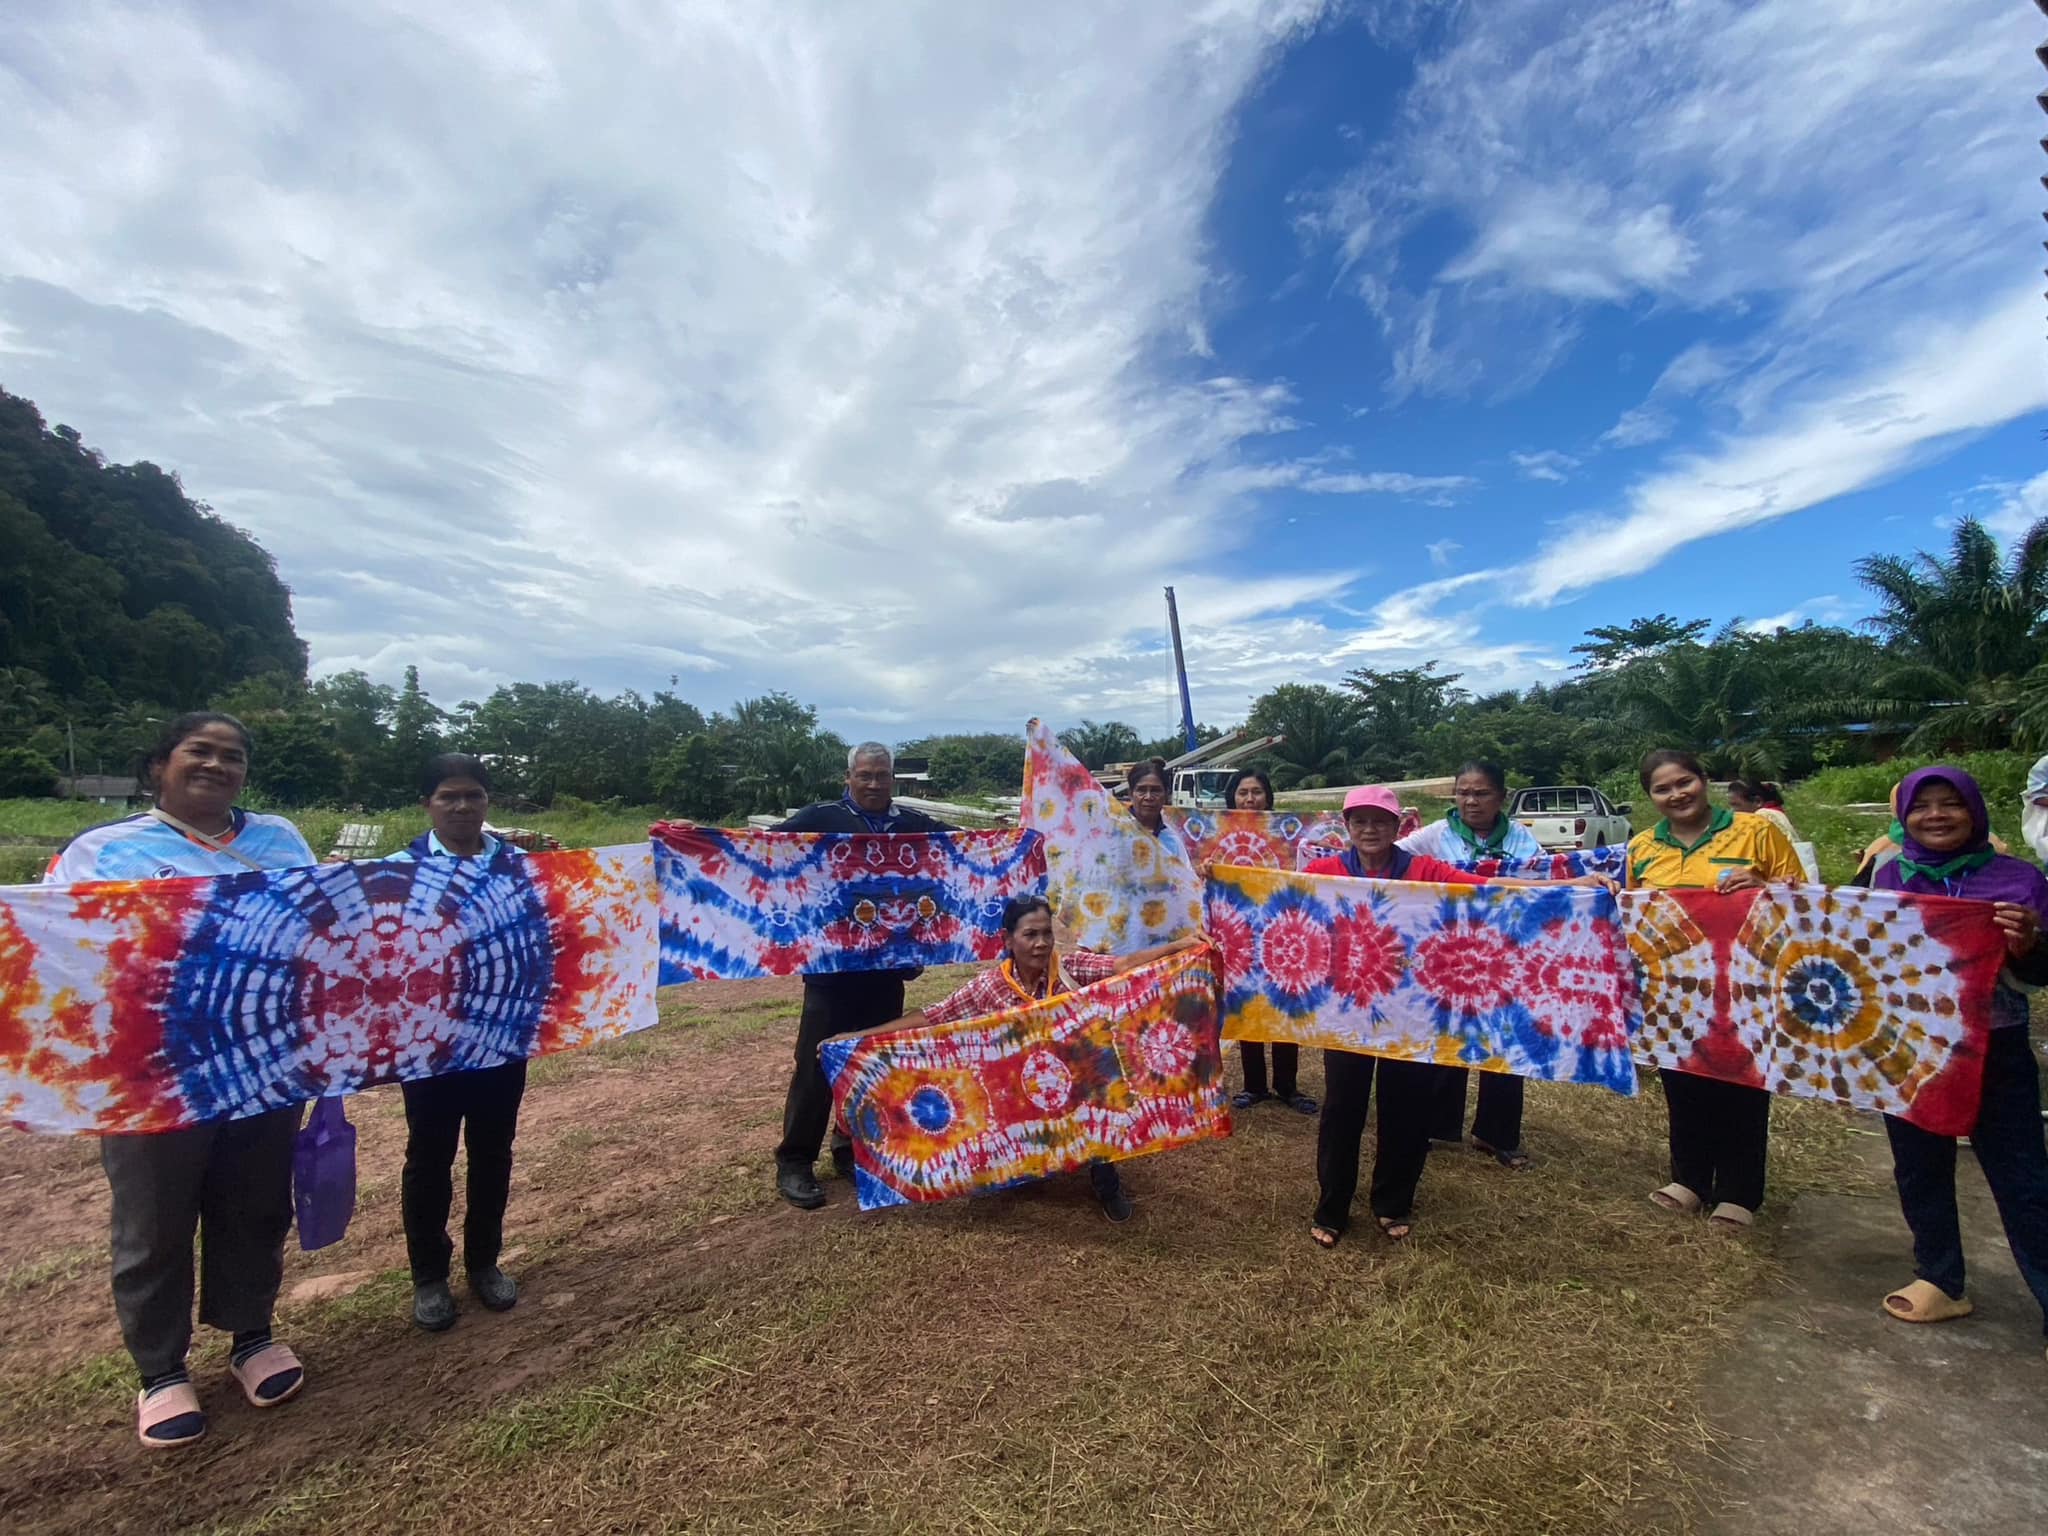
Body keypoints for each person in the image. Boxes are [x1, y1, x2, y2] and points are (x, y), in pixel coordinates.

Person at [45, 713, 317, 1450]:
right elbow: (54, 957)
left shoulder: (281, 840)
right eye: (200, 751)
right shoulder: (100, 851)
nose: (217, 765)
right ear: (160, 764)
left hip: (264, 1062)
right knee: (154, 1221)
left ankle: (252, 1335)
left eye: (233, 755)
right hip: (149, 1074)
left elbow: (323, 931)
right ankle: (161, 1372)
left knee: (255, 1204)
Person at [1298, 786, 1604, 1249]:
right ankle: (1332, 1206)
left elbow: (1490, 891)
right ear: (1347, 826)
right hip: (1348, 1014)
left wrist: (1569, 888)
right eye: (1359, 820)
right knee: (1342, 1109)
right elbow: (1270, 897)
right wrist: (1218, 880)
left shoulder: (1424, 871)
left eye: (1380, 820)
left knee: (1406, 1109)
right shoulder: (1324, 872)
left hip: (1415, 1014)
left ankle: (1392, 1202)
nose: (1369, 829)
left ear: (1400, 827)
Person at [1870, 766, 2048, 1362]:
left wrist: (2027, 944)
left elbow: (2037, 976)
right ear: (1904, 818)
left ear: (1976, 811)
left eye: (1951, 804)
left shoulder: (2020, 880)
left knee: (2023, 1178)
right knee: (1919, 1167)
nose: (1937, 816)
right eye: (1922, 807)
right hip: (1911, 1048)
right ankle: (1940, 1279)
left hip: (1996, 1051)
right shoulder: (1891, 874)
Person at [905, 896, 1205, 1222]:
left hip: (1078, 1080)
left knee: (1099, 1095)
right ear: (1007, 939)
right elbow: (932, 1017)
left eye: (1046, 933)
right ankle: (1023, 1167)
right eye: (1030, 935)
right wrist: (860, 1037)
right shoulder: (990, 988)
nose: (1042, 943)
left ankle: (1106, 1184)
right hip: (1023, 1086)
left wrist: (1182, 945)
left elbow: (1123, 965)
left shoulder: (1068, 968)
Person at [771, 743, 952, 1210]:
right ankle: (794, 1161)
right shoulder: (823, 817)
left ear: (894, 779)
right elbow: (757, 849)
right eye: (865, 775)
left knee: (871, 1064)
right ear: (848, 777)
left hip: (887, 970)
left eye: (883, 776)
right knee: (816, 1066)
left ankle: (852, 1151)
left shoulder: (910, 824)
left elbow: (967, 849)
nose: (874, 784)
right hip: (831, 971)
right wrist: (691, 838)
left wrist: (1025, 838)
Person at [1628, 748, 1802, 1231]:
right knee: (1682, 1079)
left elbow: (1803, 897)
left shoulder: (1756, 830)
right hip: (1674, 987)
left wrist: (1764, 880)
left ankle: (1740, 1192)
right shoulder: (1642, 847)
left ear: (1704, 781)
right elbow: (1632, 915)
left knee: (1743, 1080)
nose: (1676, 794)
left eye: (1685, 782)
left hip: (1746, 982)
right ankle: (1689, 1179)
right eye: (1662, 788)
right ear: (1651, 797)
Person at [385, 753, 527, 1333]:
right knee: (429, 1157)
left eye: (474, 796)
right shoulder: (394, 871)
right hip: (430, 1042)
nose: (463, 806)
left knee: (493, 1151)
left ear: (487, 802)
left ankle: (484, 1263)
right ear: (428, 804)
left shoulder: (520, 866)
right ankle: (429, 1276)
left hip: (501, 1035)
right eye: (449, 796)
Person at [1400, 760, 1545, 1170]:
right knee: (1447, 1033)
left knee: (1503, 1037)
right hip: (1447, 951)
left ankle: (1496, 1133)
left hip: (1506, 955)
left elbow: (1547, 886)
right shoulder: (1434, 836)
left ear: (1501, 796)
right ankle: (1438, 1124)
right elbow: (1390, 864)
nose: (1470, 800)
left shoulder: (1523, 843)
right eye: (1463, 792)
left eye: (1480, 793)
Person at [1220, 768, 1315, 1117]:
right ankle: (1254, 1085)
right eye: (1243, 792)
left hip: (1284, 931)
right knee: (1249, 1007)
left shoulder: (1291, 835)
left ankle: (1287, 1086)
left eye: (1256, 791)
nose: (1249, 799)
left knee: (1285, 1006)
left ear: (1268, 796)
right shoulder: (1218, 835)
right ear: (1233, 797)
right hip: (1240, 933)